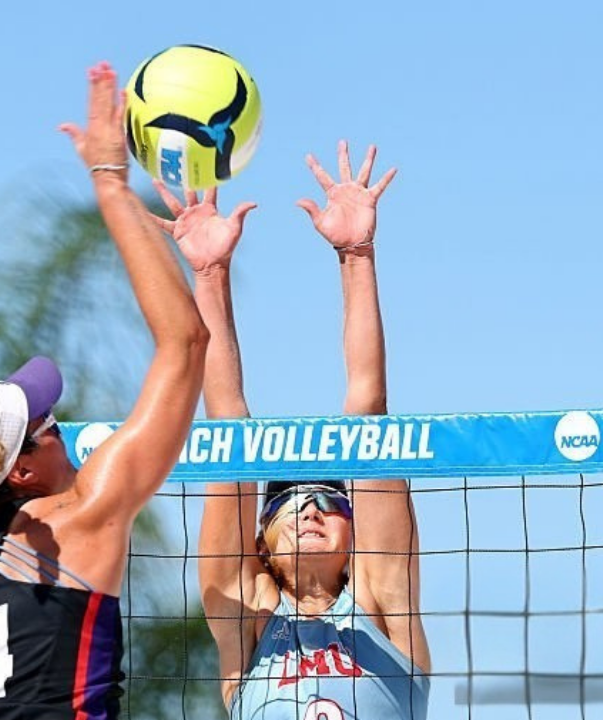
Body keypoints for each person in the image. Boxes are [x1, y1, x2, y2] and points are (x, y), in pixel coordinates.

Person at [0, 61, 208, 720]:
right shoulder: (81, 521)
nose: (63, 428)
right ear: (18, 470)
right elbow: (185, 343)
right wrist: (111, 181)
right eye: (48, 427)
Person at [153, 141, 430, 719]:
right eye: (287, 501)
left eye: (331, 499)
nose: (310, 509)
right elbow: (226, 427)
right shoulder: (246, 621)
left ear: (355, 537)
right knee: (228, 446)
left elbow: (368, 410)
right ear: (261, 542)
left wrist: (357, 255)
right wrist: (209, 273)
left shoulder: (383, 601)